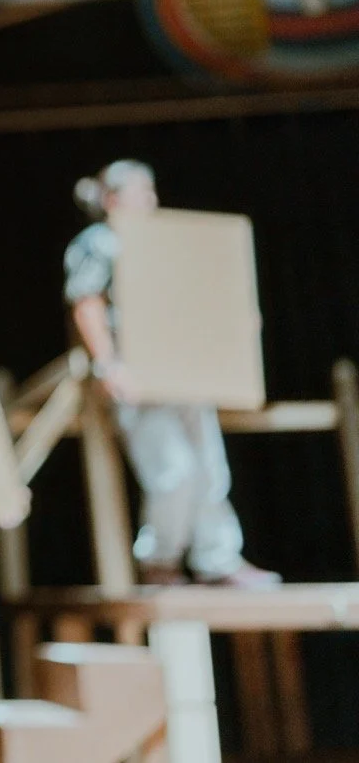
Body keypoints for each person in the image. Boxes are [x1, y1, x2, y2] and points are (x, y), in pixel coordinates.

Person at [64, 159, 280, 588]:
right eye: (138, 192)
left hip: (185, 373)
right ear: (111, 199)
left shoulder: (166, 243)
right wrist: (110, 365)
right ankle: (160, 560)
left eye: (151, 191)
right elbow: (86, 301)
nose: (150, 200)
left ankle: (217, 558)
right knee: (173, 472)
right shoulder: (102, 241)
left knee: (210, 469)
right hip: (141, 378)